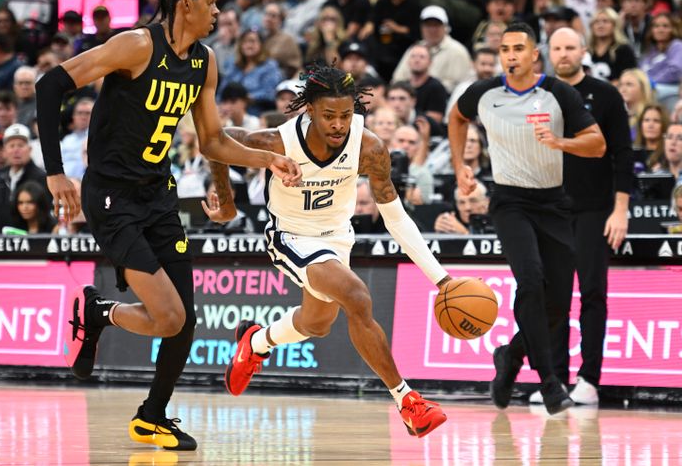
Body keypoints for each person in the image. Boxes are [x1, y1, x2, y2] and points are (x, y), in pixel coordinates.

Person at [35, 0, 301, 451]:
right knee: (170, 317)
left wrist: (269, 161)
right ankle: (102, 312)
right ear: (185, 5)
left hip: (158, 194)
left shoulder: (205, 63)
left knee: (186, 321)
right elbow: (49, 86)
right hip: (111, 197)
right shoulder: (136, 45)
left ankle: (151, 415)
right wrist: (55, 172)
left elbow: (214, 140)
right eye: (211, 2)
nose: (218, 11)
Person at [206, 63, 466, 439]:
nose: (338, 124)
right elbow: (217, 140)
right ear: (309, 110)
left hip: (336, 239)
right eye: (329, 115)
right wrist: (227, 203)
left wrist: (440, 279)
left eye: (346, 115)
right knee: (357, 296)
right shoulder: (279, 141)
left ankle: (255, 341)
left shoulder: (369, 147)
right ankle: (408, 402)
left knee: (317, 324)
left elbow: (396, 217)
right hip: (291, 235)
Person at [448, 22, 606, 415]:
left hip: (554, 203)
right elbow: (456, 118)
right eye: (505, 49)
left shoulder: (557, 93)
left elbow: (598, 143)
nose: (511, 55)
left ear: (535, 55)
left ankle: (511, 356)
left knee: (557, 304)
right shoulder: (484, 92)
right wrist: (459, 167)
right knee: (531, 281)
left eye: (519, 48)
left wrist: (560, 142)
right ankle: (549, 381)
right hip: (510, 202)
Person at [530, 27, 633, 406]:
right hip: (550, 210)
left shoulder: (605, 95)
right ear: (548, 53)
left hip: (594, 209)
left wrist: (620, 209)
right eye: (557, 48)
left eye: (571, 47)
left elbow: (623, 155)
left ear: (584, 51)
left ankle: (589, 378)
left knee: (592, 293)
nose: (564, 54)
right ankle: (553, 379)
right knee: (553, 297)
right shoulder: (538, 97)